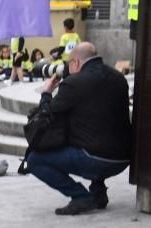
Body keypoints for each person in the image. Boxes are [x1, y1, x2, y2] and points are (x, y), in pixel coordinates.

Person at [25, 42, 132, 216]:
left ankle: (81, 196)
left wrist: (46, 92)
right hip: (123, 159)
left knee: (35, 160)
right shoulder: (118, 77)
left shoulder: (75, 83)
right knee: (94, 132)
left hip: (96, 159)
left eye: (68, 64)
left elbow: (48, 113)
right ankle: (98, 193)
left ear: (75, 62)